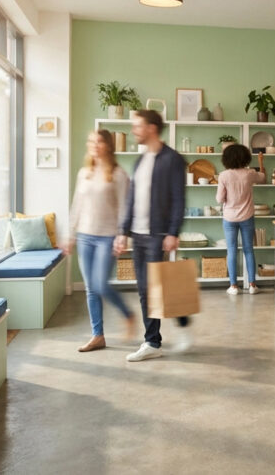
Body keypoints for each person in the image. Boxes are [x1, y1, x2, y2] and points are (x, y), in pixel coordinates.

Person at [114, 109, 191, 362]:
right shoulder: (140, 160)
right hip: (138, 233)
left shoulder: (173, 159)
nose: (133, 130)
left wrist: (173, 232)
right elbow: (132, 199)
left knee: (155, 287)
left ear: (152, 128)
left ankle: (159, 338)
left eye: (137, 126)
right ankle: (163, 333)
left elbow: (179, 199)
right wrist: (123, 232)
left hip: (158, 233)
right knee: (147, 289)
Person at [64, 130, 137, 352]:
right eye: (91, 141)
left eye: (99, 141)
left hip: (107, 237)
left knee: (99, 284)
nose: (93, 145)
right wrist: (70, 234)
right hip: (85, 236)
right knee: (90, 288)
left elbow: (125, 209)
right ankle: (98, 336)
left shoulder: (119, 174)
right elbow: (77, 205)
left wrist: (122, 236)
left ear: (108, 145)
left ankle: (128, 314)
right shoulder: (84, 173)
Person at [216, 143, 266, 295]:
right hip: (247, 217)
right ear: (245, 157)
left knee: (231, 250)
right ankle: (252, 285)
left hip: (229, 217)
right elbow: (263, 177)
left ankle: (233, 286)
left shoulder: (224, 175)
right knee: (248, 250)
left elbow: (219, 199)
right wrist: (261, 162)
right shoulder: (250, 173)